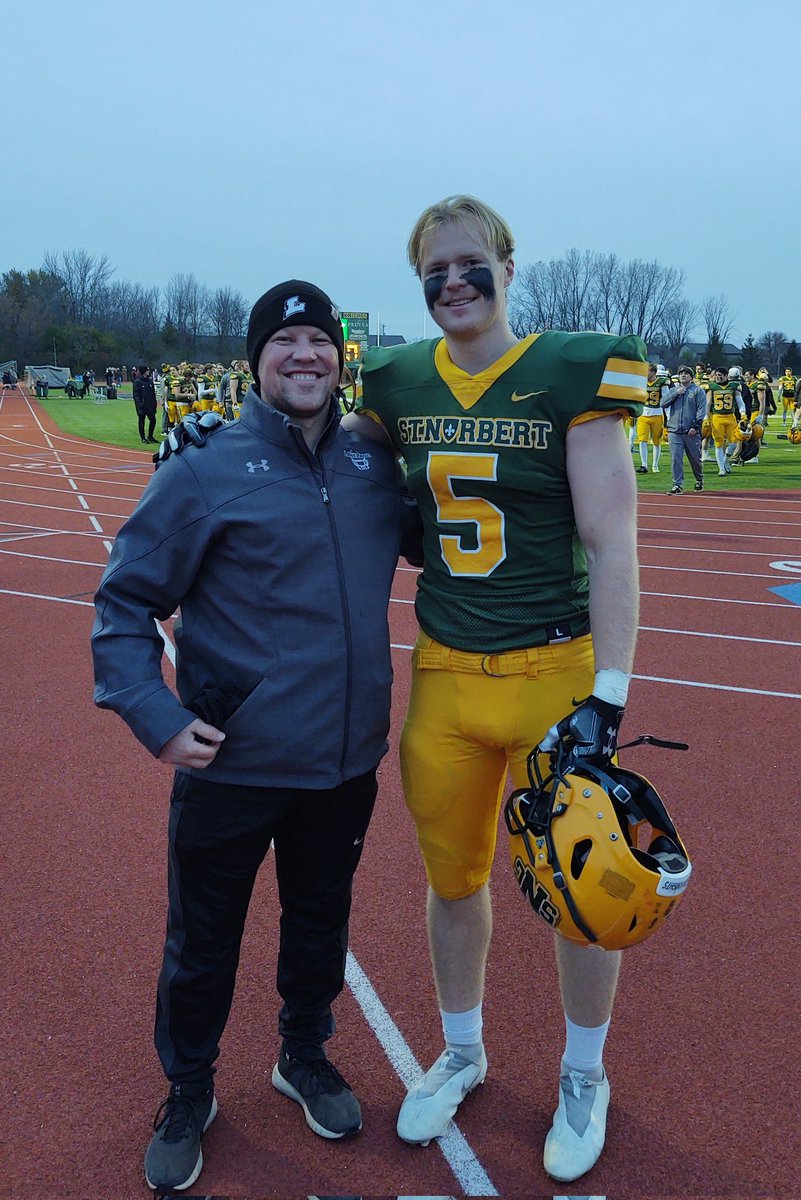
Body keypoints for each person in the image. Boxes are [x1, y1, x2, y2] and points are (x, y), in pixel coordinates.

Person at [91, 280, 421, 1194]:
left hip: (344, 763)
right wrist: (154, 719)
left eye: (319, 340)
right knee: (203, 940)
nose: (305, 354)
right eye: (285, 343)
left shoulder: (369, 472)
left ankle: (302, 1055)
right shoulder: (201, 467)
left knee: (320, 925)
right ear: (256, 362)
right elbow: (122, 603)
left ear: (339, 359)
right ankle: (189, 1089)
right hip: (231, 766)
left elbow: (446, 539)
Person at [345, 195, 647, 1183]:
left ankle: (584, 1074)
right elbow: (337, 485)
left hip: (552, 675)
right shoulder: (390, 380)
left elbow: (610, 540)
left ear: (509, 268)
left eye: (471, 263)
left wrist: (609, 692)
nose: (454, 283)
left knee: (579, 888)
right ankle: (465, 1051)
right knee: (452, 883)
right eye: (435, 270)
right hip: (443, 678)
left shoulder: (569, 371)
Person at [661, 366, 707, 493]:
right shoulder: (673, 390)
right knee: (676, 458)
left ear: (691, 377)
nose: (683, 375)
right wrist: (676, 393)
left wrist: (695, 426)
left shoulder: (698, 391)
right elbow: (662, 403)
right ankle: (677, 484)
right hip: (674, 430)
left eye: (686, 374)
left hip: (691, 431)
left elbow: (701, 410)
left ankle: (699, 479)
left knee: (695, 459)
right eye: (681, 373)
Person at [133, 365, 158, 443]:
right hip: (142, 406)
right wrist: (140, 404)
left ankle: (150, 436)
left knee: (153, 420)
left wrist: (154, 403)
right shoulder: (137, 381)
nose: (149, 372)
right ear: (144, 371)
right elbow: (136, 395)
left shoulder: (150, 381)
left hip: (150, 405)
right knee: (141, 422)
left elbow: (153, 393)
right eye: (147, 370)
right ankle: (143, 438)